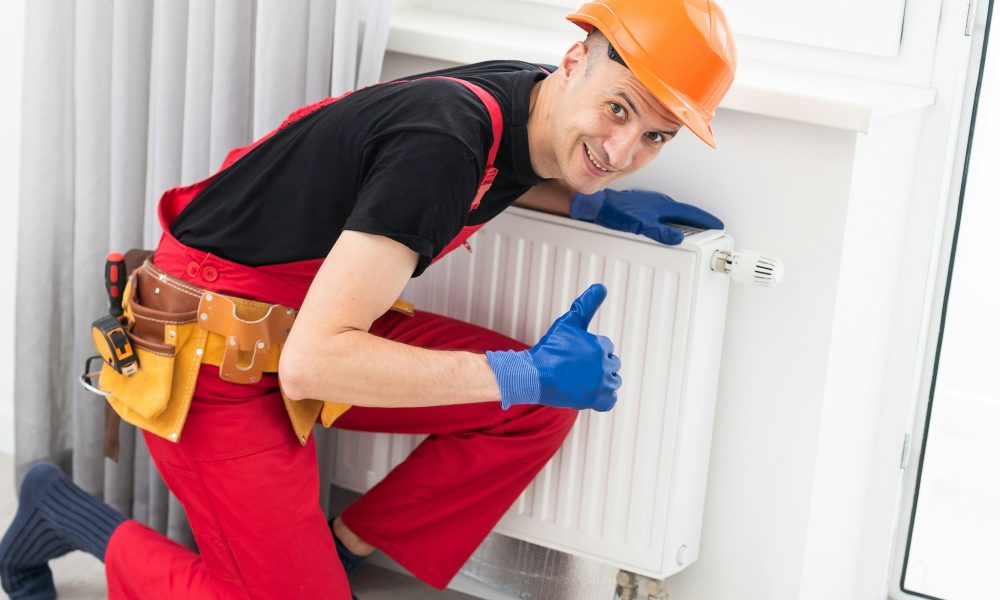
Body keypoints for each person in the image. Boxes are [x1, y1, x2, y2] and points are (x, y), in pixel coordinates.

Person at [0, 0, 737, 598]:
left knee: (534, 406)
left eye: (654, 137)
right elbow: (314, 367)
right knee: (528, 386)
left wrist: (590, 206)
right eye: (617, 110)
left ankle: (333, 557)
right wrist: (522, 372)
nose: (620, 152)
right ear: (574, 62)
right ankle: (60, 512)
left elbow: (515, 167)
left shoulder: (530, 106)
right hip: (213, 353)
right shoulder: (444, 143)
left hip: (298, 316)